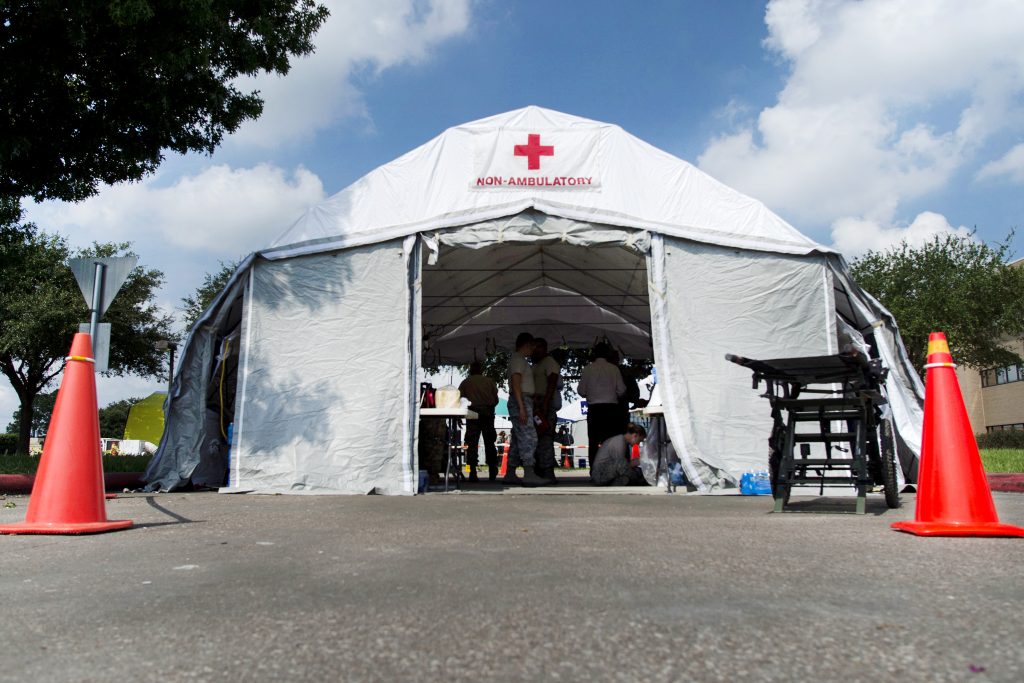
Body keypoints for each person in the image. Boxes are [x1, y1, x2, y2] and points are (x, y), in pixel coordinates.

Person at [504, 332, 548, 487]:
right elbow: (516, 384)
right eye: (533, 346)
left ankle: (510, 472)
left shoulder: (519, 360)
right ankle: (529, 473)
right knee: (529, 436)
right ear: (526, 344)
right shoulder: (518, 360)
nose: (533, 350)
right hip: (520, 401)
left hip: (523, 400)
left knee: (518, 439)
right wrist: (522, 407)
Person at [577, 342, 626, 471]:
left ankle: (594, 470)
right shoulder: (614, 369)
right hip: (611, 409)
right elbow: (622, 390)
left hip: (595, 409)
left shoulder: (587, 369)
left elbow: (581, 391)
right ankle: (613, 469)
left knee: (593, 441)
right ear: (608, 354)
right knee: (611, 440)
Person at [458, 361, 500, 482]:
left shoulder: (466, 382)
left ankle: (472, 472)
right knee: (489, 443)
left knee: (472, 444)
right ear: (481, 370)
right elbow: (496, 400)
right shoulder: (489, 382)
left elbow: (460, 400)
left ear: (470, 370)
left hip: (472, 414)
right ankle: (492, 469)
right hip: (487, 414)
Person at [530, 337, 562, 483]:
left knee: (546, 438)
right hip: (536, 404)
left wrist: (545, 403)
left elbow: (552, 381)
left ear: (544, 348)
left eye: (536, 347)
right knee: (537, 439)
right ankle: (539, 470)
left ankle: (548, 471)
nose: (533, 351)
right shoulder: (536, 365)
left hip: (544, 405)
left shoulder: (549, 362)